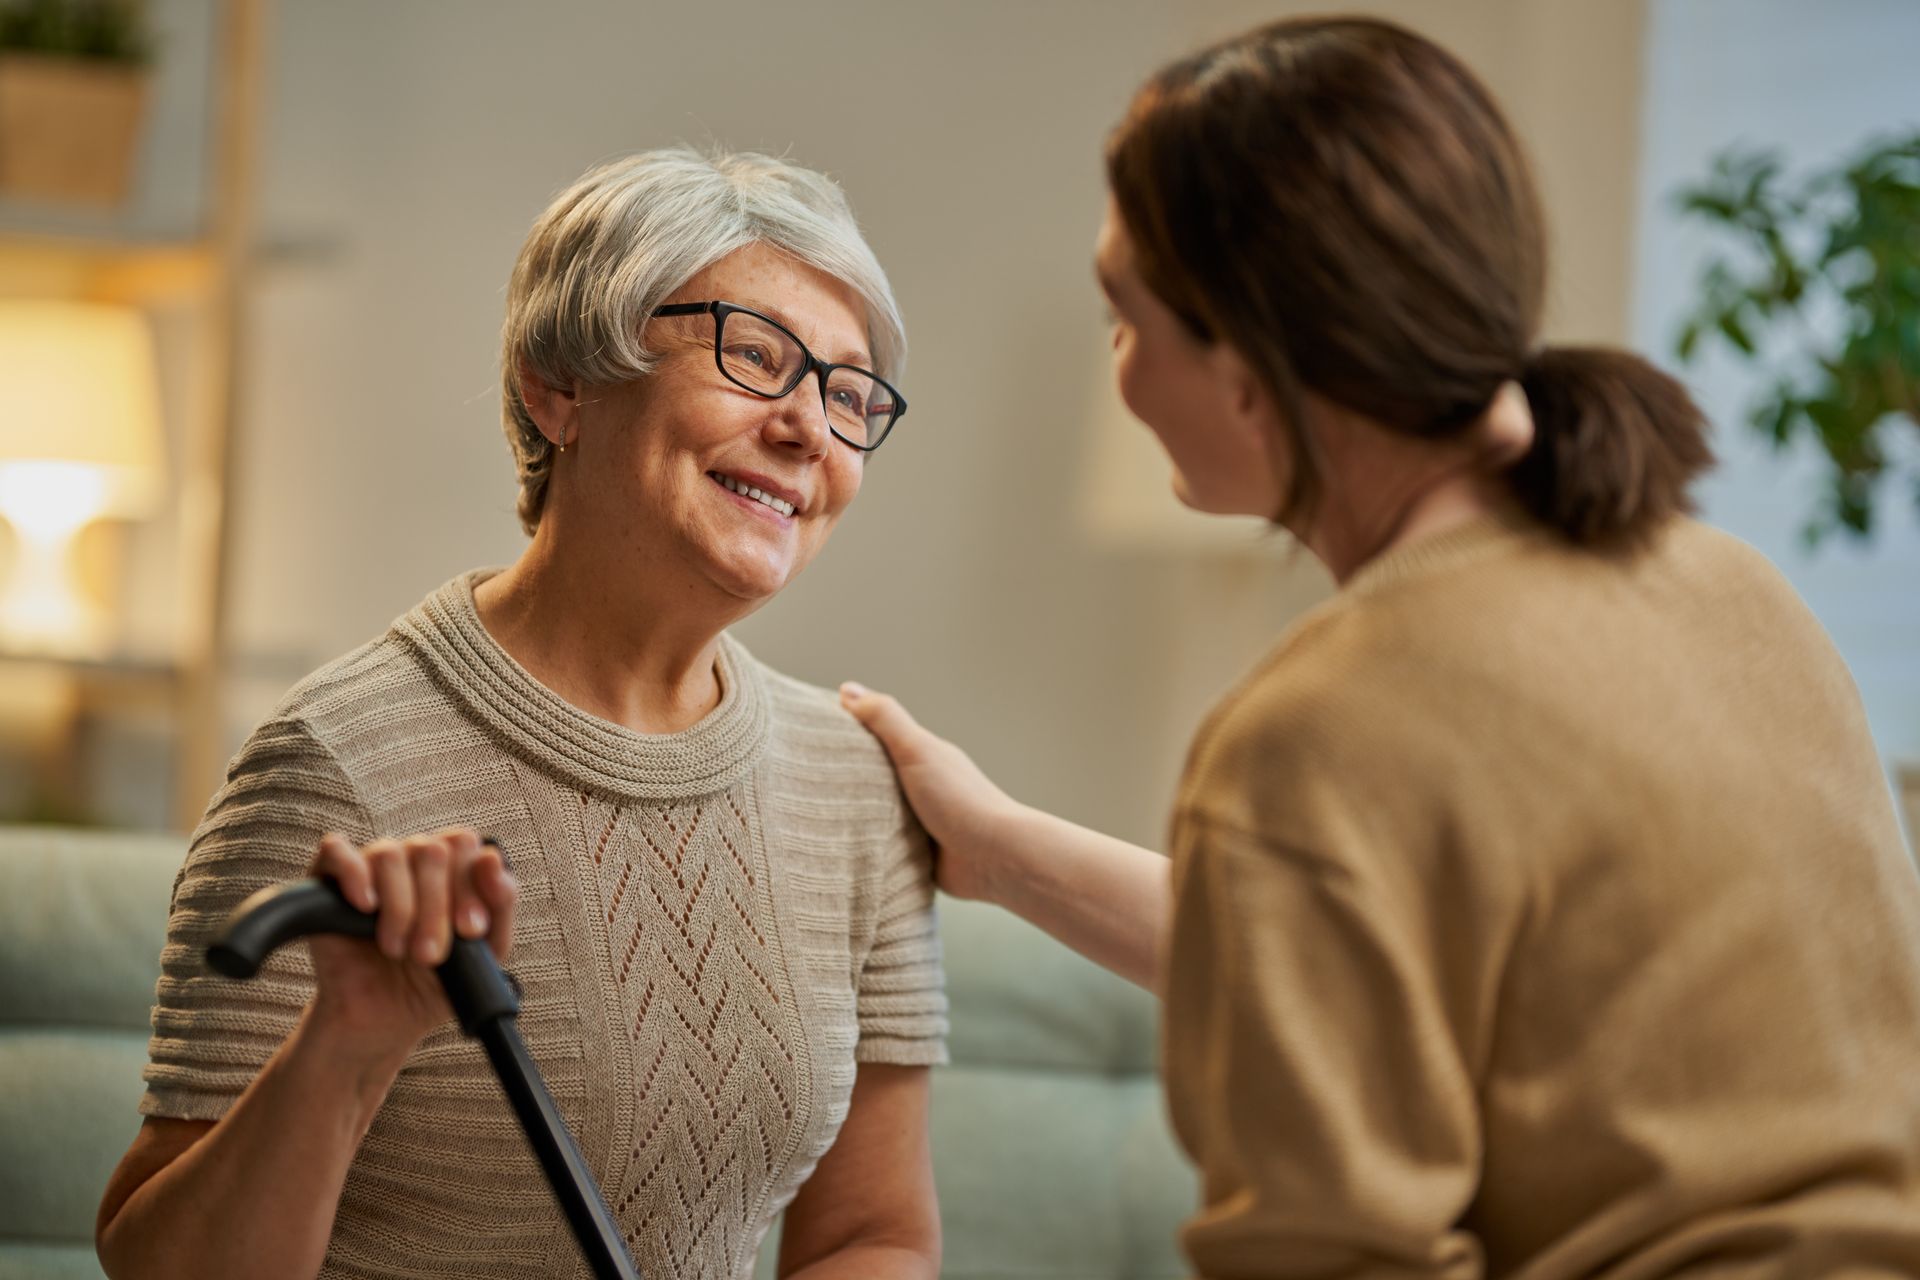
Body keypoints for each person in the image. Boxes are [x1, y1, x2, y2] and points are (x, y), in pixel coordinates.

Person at [840, 16, 1920, 1277]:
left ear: (1246, 369)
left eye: (1122, 318)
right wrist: (1002, 851)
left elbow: (1331, 1256)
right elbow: (1372, 962)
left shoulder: (1325, 722)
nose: (1120, 368)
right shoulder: (1728, 585)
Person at [96, 148, 948, 1280]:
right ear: (561, 383)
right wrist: (343, 1049)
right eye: (754, 353)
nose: (808, 429)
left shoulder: (854, 782)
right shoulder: (338, 759)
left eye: (847, 395)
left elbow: (871, 1234)